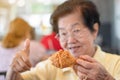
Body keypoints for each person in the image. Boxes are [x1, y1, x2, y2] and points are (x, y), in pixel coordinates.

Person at [6, 0, 120, 80]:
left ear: (94, 30)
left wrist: (106, 78)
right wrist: (13, 70)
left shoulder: (116, 64)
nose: (70, 40)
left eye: (76, 30)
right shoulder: (52, 66)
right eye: (63, 33)